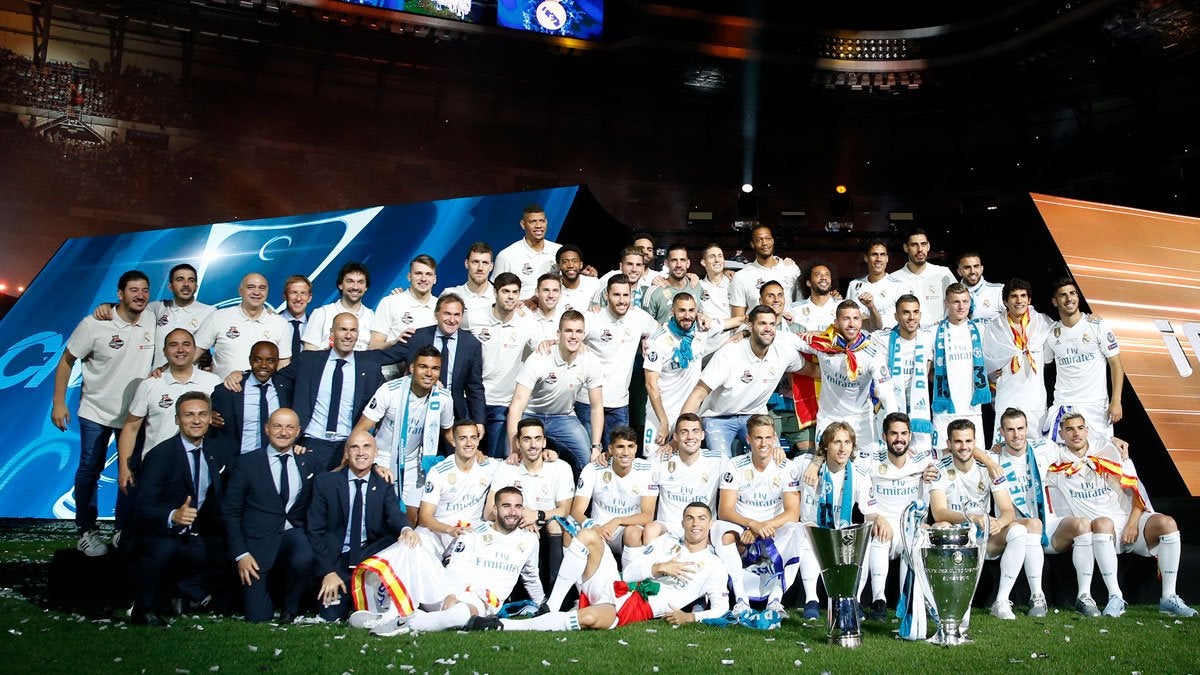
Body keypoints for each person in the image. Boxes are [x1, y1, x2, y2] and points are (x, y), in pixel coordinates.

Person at [486, 502, 730, 631]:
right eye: (690, 518)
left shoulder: (715, 565)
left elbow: (721, 608)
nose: (695, 524)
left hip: (637, 608)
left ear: (711, 524)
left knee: (589, 618)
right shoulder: (665, 542)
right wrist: (658, 567)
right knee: (587, 536)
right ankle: (552, 604)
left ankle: (502, 626)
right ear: (683, 522)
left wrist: (690, 616)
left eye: (701, 518)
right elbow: (630, 572)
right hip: (617, 585)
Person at [1046, 413, 1195, 618]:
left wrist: (1132, 524)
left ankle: (1169, 597)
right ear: (1061, 435)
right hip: (1101, 530)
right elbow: (1025, 446)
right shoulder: (1056, 462)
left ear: (1087, 431)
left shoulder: (1112, 453)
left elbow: (1138, 493)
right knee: (1102, 522)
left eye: (1080, 428)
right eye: (1069, 429)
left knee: (1167, 523)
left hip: (1130, 522)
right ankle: (1115, 597)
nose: (1076, 434)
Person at [52, 269, 156, 556]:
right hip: (95, 410)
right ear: (120, 294)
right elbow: (66, 361)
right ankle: (86, 531)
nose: (140, 295)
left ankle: (123, 530)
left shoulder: (152, 318)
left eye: (145, 290)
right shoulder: (94, 324)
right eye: (133, 290)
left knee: (130, 470)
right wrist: (59, 402)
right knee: (90, 469)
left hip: (133, 415)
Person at [368, 486, 544, 636]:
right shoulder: (473, 533)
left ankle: (407, 621)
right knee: (412, 545)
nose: (512, 512)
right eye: (506, 506)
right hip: (447, 590)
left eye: (518, 507)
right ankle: (392, 611)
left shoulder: (529, 540)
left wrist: (541, 603)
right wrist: (451, 594)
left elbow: (531, 575)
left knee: (461, 613)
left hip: (481, 601)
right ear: (495, 510)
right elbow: (455, 568)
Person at [928, 418, 1045, 620]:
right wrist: (971, 517)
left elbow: (1007, 510)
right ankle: (945, 600)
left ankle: (1001, 601)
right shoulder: (938, 469)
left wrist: (999, 522)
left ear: (975, 443)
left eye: (968, 441)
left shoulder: (990, 468)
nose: (964, 447)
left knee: (1018, 530)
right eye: (958, 442)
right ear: (949, 444)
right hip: (958, 538)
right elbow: (939, 512)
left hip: (984, 538)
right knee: (941, 526)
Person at [128, 391, 227, 626]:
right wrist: (173, 516)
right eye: (189, 415)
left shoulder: (217, 451)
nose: (196, 420)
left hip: (199, 532)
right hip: (159, 532)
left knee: (230, 550)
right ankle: (143, 608)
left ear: (210, 418)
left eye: (202, 414)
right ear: (177, 419)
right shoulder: (160, 455)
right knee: (163, 549)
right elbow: (142, 507)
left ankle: (185, 591)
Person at [115, 328, 221, 538]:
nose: (180, 349)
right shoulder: (150, 385)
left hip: (198, 467)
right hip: (158, 471)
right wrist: (124, 468)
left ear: (195, 349)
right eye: (173, 345)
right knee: (155, 531)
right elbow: (131, 428)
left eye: (186, 344)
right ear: (164, 351)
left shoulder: (213, 382)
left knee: (200, 532)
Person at [307, 430, 416, 622]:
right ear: (347, 452)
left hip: (368, 556)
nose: (360, 452)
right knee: (331, 615)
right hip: (337, 559)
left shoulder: (383, 483)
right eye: (354, 447)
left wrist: (406, 529)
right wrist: (328, 572)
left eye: (367, 447)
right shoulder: (326, 482)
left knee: (404, 542)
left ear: (375, 452)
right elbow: (315, 530)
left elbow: (395, 514)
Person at [223, 408, 318, 623]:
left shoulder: (308, 461)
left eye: (290, 427)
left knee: (304, 556)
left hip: (291, 534)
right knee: (258, 617)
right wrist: (241, 554)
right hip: (257, 545)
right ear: (267, 429)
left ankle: (290, 609)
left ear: (298, 432)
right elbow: (230, 512)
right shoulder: (247, 463)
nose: (284, 432)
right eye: (277, 426)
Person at [681, 305, 807, 458]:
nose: (768, 328)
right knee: (721, 463)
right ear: (750, 326)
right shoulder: (729, 354)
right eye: (762, 323)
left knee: (773, 457)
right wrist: (680, 431)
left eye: (772, 324)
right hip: (717, 417)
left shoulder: (784, 351)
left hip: (754, 415)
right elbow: (698, 394)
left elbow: (813, 370)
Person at [716, 414, 805, 616]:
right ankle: (741, 600)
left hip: (773, 528)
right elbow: (725, 510)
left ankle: (775, 600)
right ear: (748, 440)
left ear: (774, 438)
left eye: (767, 438)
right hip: (743, 526)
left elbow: (793, 512)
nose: (763, 444)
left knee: (798, 531)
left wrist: (762, 527)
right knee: (722, 531)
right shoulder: (735, 465)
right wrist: (752, 524)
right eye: (758, 438)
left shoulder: (787, 466)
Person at [354, 346, 455, 519]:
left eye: (435, 368)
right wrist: (359, 462)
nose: (429, 373)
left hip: (415, 462)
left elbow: (448, 432)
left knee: (412, 517)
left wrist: (470, 448)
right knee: (376, 514)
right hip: (382, 458)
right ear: (412, 368)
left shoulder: (444, 398)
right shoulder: (389, 390)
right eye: (423, 367)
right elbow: (361, 430)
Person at [791, 423, 877, 620]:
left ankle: (853, 600)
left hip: (840, 530)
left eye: (847, 442)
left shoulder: (859, 474)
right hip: (812, 527)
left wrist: (878, 520)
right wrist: (779, 452)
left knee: (865, 537)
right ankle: (811, 599)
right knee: (807, 533)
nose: (842, 448)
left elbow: (870, 512)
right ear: (826, 446)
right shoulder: (805, 464)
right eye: (837, 442)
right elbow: (780, 468)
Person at [860, 413, 938, 622]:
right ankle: (879, 600)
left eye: (904, 433)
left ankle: (908, 600)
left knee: (912, 541)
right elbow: (840, 454)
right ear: (884, 436)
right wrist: (875, 517)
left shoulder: (924, 460)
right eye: (893, 434)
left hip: (909, 525)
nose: (899, 439)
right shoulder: (871, 460)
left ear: (910, 436)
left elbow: (957, 450)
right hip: (881, 523)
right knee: (880, 537)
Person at [507, 310, 605, 475]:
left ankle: (575, 491)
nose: (573, 336)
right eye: (568, 331)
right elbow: (516, 405)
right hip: (531, 415)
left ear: (583, 335)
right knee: (514, 461)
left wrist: (596, 447)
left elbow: (596, 407)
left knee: (587, 460)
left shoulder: (591, 361)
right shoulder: (540, 357)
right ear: (559, 334)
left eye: (578, 331)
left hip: (564, 417)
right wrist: (514, 448)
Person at [989, 407, 1066, 616]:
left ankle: (1085, 595)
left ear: (1027, 428)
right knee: (1032, 524)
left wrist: (1111, 443)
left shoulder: (1043, 448)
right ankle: (1037, 595)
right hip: (1009, 526)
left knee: (1081, 525)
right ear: (1001, 432)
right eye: (1010, 430)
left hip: (1045, 522)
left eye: (1020, 428)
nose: (1016, 435)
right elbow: (964, 452)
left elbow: (1077, 445)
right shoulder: (993, 458)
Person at [795, 300, 898, 449]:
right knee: (824, 463)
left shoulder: (872, 353)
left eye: (856, 318)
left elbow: (886, 392)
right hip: (828, 418)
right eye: (846, 319)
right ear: (836, 322)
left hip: (861, 420)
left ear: (861, 322)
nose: (851, 324)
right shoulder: (823, 343)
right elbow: (788, 341)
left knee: (867, 463)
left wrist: (894, 425)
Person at [487, 417, 575, 590]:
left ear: (544, 442)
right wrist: (520, 518)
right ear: (518, 443)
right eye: (527, 439)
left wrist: (537, 515)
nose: (533, 445)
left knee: (555, 525)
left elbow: (564, 510)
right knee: (517, 531)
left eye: (537, 439)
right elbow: (489, 511)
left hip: (548, 526)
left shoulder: (560, 467)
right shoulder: (506, 467)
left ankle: (556, 594)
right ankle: (513, 592)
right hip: (519, 527)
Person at [464, 272, 541, 458]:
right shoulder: (473, 317)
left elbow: (542, 347)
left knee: (498, 459)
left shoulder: (526, 320)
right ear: (495, 292)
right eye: (505, 291)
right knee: (467, 456)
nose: (511, 297)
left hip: (503, 402)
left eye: (515, 292)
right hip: (472, 399)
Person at [576, 275, 658, 445]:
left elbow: (661, 331)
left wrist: (648, 339)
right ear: (606, 295)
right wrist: (577, 345)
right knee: (588, 455)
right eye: (616, 295)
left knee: (618, 454)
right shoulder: (591, 318)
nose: (622, 300)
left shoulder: (639, 317)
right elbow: (566, 336)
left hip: (619, 402)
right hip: (587, 401)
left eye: (626, 295)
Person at [1043, 277, 1125, 442]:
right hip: (1065, 404)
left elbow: (1116, 364)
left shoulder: (1097, 325)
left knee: (1100, 455)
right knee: (1063, 455)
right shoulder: (1051, 333)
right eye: (1063, 295)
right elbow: (1041, 363)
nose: (1069, 298)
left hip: (1096, 406)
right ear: (1055, 301)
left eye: (1072, 293)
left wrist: (1116, 400)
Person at [643, 292, 726, 452]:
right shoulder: (657, 340)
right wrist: (663, 421)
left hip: (689, 411)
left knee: (686, 458)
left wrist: (743, 333)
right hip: (660, 412)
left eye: (691, 310)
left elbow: (736, 321)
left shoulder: (701, 329)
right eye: (681, 310)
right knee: (655, 459)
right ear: (672, 311)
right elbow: (650, 384)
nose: (687, 316)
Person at [93, 263, 215, 367]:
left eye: (191, 280)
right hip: (156, 380)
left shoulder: (210, 313)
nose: (186, 284)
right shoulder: (157, 308)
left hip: (191, 381)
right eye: (180, 279)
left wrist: (208, 360)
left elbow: (218, 351)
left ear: (196, 286)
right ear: (170, 286)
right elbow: (130, 306)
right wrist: (108, 305)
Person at [570, 426, 658, 565]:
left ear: (636, 448)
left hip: (625, 532)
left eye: (630, 446)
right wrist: (594, 527)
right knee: (569, 532)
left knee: (633, 532)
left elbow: (648, 516)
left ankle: (631, 577)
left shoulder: (647, 470)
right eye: (620, 447)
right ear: (610, 449)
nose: (626, 452)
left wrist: (617, 520)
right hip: (599, 530)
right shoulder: (593, 469)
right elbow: (576, 511)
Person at [403, 294, 486, 436]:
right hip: (418, 410)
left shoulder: (472, 344)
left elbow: (475, 386)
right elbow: (390, 358)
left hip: (454, 413)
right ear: (436, 314)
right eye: (447, 313)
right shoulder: (418, 337)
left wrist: (479, 420)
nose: (452, 320)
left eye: (457, 315)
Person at [982, 279, 1053, 441]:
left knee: (1038, 445)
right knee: (1005, 443)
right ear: (1005, 301)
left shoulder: (1042, 322)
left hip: (1035, 396)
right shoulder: (995, 327)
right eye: (1014, 296)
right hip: (1007, 395)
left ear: (1029, 300)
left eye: (1023, 296)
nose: (1019, 300)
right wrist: (992, 373)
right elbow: (988, 361)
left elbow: (1049, 357)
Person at [414, 420, 497, 557]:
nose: (469, 443)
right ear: (453, 441)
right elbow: (424, 516)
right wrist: (450, 530)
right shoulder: (439, 472)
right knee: (411, 547)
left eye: (473, 438)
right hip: (439, 533)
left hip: (472, 535)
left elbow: (516, 465)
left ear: (478, 441)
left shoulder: (490, 466)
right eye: (463, 438)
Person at [194, 272, 293, 377]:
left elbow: (283, 364)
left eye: (262, 288)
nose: (257, 292)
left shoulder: (280, 323)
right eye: (251, 287)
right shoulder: (218, 317)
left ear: (267, 292)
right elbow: (193, 353)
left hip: (263, 387)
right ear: (240, 291)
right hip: (223, 386)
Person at [208, 341, 294, 461]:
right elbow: (210, 424)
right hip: (237, 461)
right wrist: (208, 415)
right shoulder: (228, 390)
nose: (263, 365)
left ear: (277, 362)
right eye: (258, 360)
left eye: (270, 361)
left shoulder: (286, 387)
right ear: (250, 360)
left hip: (275, 460)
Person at [930, 283, 992, 450]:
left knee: (976, 458)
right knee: (942, 458)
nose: (961, 306)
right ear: (946, 303)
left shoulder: (981, 330)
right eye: (956, 301)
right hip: (944, 410)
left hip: (973, 409)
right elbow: (925, 370)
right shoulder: (933, 332)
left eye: (965, 301)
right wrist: (940, 380)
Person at [871, 294, 935, 453]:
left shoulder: (929, 338)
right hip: (889, 409)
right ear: (896, 316)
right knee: (889, 457)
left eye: (915, 312)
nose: (912, 317)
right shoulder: (880, 339)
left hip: (919, 411)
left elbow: (929, 368)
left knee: (922, 458)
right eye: (906, 312)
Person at [302, 261, 375, 352]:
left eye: (360, 282)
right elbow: (308, 353)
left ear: (366, 287)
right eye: (350, 281)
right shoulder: (322, 313)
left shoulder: (371, 316)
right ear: (340, 285)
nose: (355, 287)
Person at [729, 225, 801, 317]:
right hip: (756, 326)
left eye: (768, 238)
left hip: (787, 326)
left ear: (773, 241)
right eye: (759, 240)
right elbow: (738, 318)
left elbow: (800, 305)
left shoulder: (790, 269)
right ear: (752, 244)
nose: (765, 243)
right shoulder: (741, 276)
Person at [493, 204, 561, 299]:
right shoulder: (507, 255)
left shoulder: (559, 251)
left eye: (542, 221)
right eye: (533, 222)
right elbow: (496, 292)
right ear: (523, 224)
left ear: (546, 222)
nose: (538, 226)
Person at [890, 229, 955, 327]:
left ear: (928, 246)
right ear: (906, 248)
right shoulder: (893, 279)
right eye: (914, 245)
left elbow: (959, 303)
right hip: (907, 335)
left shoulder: (944, 273)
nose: (920, 249)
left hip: (940, 334)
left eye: (923, 244)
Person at [370, 254, 438, 348]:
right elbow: (373, 346)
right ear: (409, 277)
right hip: (395, 357)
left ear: (435, 279)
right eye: (418, 273)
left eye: (428, 274)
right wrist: (394, 343)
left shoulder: (441, 306)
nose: (423, 279)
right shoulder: (390, 303)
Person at [845, 239, 906, 332]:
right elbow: (846, 315)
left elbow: (906, 317)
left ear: (887, 258)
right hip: (860, 340)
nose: (878, 259)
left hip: (888, 338)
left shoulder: (898, 285)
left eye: (882, 254)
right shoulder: (854, 285)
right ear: (866, 258)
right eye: (874, 254)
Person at [643, 244, 702, 324]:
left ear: (688, 263)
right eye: (674, 260)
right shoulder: (655, 291)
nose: (679, 265)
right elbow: (645, 326)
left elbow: (702, 315)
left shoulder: (697, 286)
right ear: (666, 263)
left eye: (682, 260)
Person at [789, 262, 852, 332]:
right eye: (818, 275)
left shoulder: (844, 307)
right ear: (809, 283)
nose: (824, 278)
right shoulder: (795, 309)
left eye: (827, 275)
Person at [440, 242, 497, 319]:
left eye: (485, 263)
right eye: (475, 262)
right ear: (466, 264)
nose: (480, 268)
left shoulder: (499, 296)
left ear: (491, 266)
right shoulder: (450, 294)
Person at [698, 243, 734, 355]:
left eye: (720, 256)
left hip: (731, 346)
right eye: (712, 256)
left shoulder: (734, 282)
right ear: (703, 262)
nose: (717, 260)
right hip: (707, 349)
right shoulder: (697, 285)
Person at [957, 251, 1004, 324]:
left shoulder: (998, 291)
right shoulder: (952, 295)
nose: (972, 271)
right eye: (967, 267)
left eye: (976, 266)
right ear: (959, 271)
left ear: (982, 269)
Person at [555, 244, 601, 313]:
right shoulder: (552, 288)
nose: (571, 265)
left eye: (574, 261)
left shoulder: (594, 284)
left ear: (581, 264)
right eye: (565, 262)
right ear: (558, 266)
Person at [280, 275, 313, 361]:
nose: (298, 298)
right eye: (293, 292)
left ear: (309, 298)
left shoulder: (314, 325)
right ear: (285, 296)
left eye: (303, 293)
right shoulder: (273, 322)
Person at [529, 272, 564, 342]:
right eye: (546, 290)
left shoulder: (566, 320)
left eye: (555, 291)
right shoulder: (526, 317)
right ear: (537, 292)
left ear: (560, 293)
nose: (551, 295)